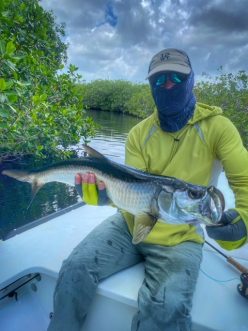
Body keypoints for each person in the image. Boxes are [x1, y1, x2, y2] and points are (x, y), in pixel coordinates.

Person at [48, 48, 248, 331]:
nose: (168, 86)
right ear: (150, 86)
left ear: (192, 80)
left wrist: (244, 221)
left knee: (166, 307)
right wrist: (104, 197)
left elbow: (244, 181)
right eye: (159, 80)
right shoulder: (139, 133)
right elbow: (131, 188)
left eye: (176, 79)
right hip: (130, 225)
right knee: (74, 269)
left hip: (181, 238)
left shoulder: (219, 127)